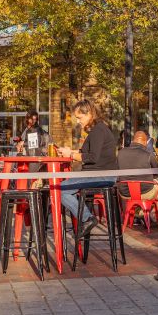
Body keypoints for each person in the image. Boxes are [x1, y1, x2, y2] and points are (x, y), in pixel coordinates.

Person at [56, 99, 118, 237]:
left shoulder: (98, 130)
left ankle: (87, 218)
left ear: (89, 113)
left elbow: (92, 157)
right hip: (101, 174)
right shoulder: (99, 129)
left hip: (101, 175)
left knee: (59, 190)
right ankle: (86, 218)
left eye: (79, 117)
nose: (78, 121)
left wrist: (71, 155)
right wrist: (70, 151)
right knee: (61, 188)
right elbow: (90, 153)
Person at [117, 130, 158, 220]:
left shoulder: (120, 153)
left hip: (124, 192)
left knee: (141, 194)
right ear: (144, 141)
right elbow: (157, 172)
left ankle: (138, 214)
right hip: (145, 191)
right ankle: (153, 216)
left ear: (134, 140)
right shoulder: (148, 154)